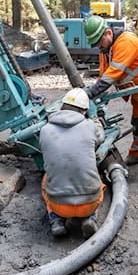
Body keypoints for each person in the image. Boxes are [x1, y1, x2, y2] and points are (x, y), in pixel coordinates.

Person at [83, 15, 138, 186]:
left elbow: (111, 77)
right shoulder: (106, 50)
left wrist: (89, 94)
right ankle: (137, 153)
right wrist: (96, 95)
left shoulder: (126, 42)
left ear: (108, 33)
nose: (98, 48)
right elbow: (103, 77)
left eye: (98, 43)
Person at [39, 88, 106, 238]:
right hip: (89, 203)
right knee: (98, 181)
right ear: (84, 111)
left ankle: (56, 220)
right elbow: (101, 138)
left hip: (59, 205)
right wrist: (95, 118)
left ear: (61, 107)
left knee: (45, 179)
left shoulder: (45, 130)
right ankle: (90, 218)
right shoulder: (89, 126)